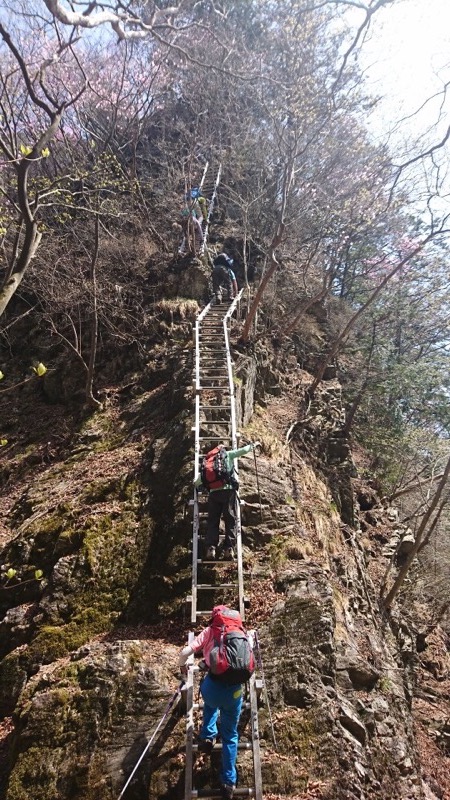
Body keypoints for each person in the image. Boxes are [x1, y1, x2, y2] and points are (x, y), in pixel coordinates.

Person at [179, 607, 254, 799]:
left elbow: (187, 650)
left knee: (210, 704)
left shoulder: (210, 630)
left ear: (214, 618)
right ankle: (228, 782)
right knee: (230, 735)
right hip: (235, 691)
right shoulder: (241, 633)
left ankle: (207, 736)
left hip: (213, 687)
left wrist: (183, 666)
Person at [195, 441, 260, 560]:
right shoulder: (228, 455)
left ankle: (211, 548)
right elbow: (243, 451)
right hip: (228, 492)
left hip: (213, 493)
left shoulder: (208, 461)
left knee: (213, 521)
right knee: (230, 519)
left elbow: (197, 482)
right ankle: (228, 549)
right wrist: (253, 446)